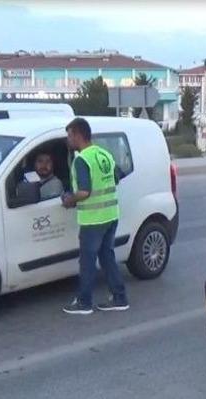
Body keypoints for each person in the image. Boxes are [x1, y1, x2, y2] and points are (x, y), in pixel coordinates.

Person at [60, 118, 128, 315]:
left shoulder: (82, 159)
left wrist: (68, 200)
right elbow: (116, 177)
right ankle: (119, 298)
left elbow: (84, 192)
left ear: (78, 135)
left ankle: (84, 302)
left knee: (87, 262)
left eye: (69, 135)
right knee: (107, 257)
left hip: (93, 218)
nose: (68, 140)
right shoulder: (103, 154)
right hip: (110, 215)